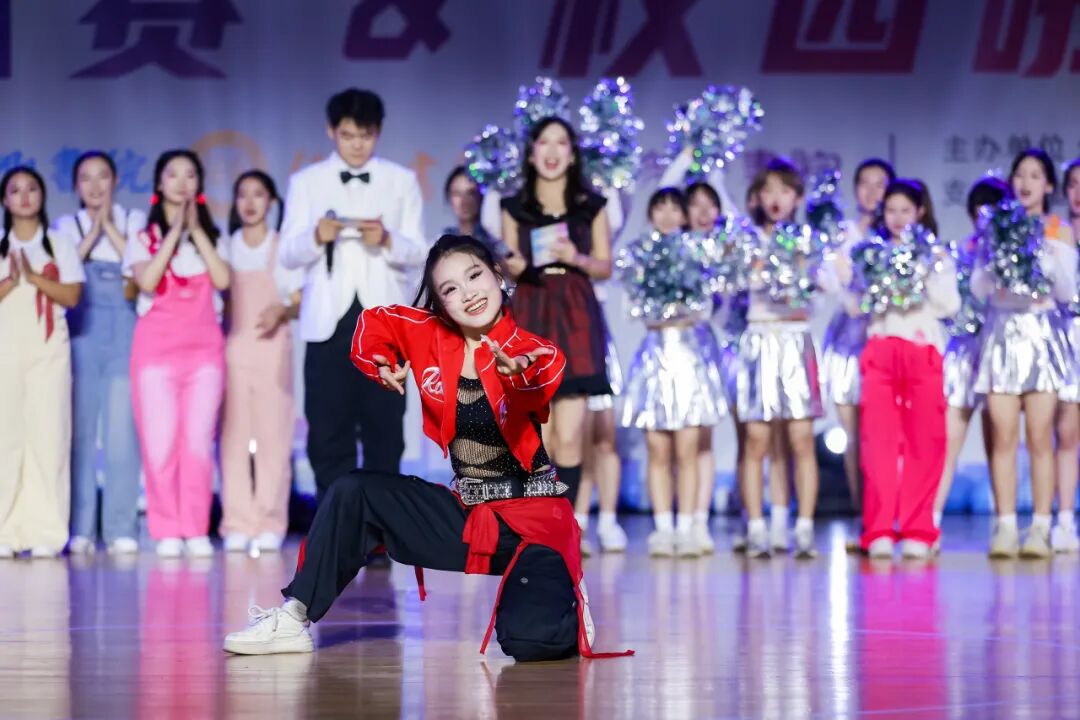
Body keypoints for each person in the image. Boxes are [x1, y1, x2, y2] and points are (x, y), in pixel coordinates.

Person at [223, 235, 632, 662]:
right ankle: (294, 616)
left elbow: (543, 373)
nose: (468, 293)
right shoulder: (429, 334)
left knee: (531, 641)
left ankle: (566, 598)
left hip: (533, 525)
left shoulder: (530, 349)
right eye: (451, 289)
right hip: (468, 515)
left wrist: (515, 373)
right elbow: (374, 323)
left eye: (474, 276)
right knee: (355, 491)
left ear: (497, 275)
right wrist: (380, 362)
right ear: (440, 303)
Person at [279, 87, 427, 500]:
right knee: (328, 431)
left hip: (384, 326)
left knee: (385, 430)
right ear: (331, 131)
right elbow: (287, 253)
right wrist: (315, 236)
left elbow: (420, 251)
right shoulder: (306, 183)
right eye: (348, 135)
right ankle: (336, 524)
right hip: (328, 323)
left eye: (365, 135)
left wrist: (388, 239)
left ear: (378, 133)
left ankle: (382, 525)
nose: (357, 144)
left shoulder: (401, 181)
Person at [124, 150, 230, 558]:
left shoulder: (212, 238)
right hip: (155, 356)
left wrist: (195, 231)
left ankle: (195, 527)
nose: (182, 182)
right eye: (173, 175)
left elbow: (223, 279)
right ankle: (166, 527)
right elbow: (148, 280)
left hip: (204, 356)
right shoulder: (142, 237)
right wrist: (173, 234)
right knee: (160, 443)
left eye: (190, 175)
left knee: (198, 443)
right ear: (158, 184)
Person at [972, 149, 1077, 559]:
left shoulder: (1057, 230)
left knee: (1039, 436)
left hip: (1040, 333)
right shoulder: (995, 226)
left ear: (1048, 185)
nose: (1026, 182)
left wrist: (1044, 255)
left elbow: (1066, 292)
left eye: (1035, 175)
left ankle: (1041, 528)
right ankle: (1004, 526)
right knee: (1002, 435)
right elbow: (978, 288)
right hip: (1002, 332)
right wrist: (996, 261)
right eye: (1020, 174)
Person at [855, 179, 960, 559]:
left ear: (920, 212)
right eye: (891, 210)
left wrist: (921, 271)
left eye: (905, 210)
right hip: (882, 349)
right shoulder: (873, 253)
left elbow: (949, 305)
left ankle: (918, 529)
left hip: (921, 349)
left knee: (925, 442)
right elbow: (856, 303)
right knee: (878, 444)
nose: (898, 218)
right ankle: (879, 528)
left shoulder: (935, 255)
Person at [55, 151, 143, 555]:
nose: (94, 186)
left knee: (122, 434)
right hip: (82, 335)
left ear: (115, 181)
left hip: (125, 333)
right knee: (81, 433)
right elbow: (67, 268)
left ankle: (121, 526)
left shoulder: (133, 220)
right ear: (76, 185)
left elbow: (139, 266)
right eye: (86, 178)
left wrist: (109, 225)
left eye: (102, 177)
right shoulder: (65, 226)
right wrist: (93, 231)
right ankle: (81, 527)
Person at [0, 166, 84, 558]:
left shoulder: (59, 243)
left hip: (49, 352)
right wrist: (11, 281)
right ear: (5, 200)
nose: (24, 196)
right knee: (6, 439)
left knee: (49, 438)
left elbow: (71, 296)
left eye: (31, 188)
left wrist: (33, 277)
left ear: (42, 196)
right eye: (15, 190)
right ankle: (6, 530)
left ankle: (46, 533)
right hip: (6, 351)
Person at [219, 170, 303, 554]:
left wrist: (281, 311)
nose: (250, 202)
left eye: (258, 194)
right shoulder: (226, 247)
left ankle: (270, 521)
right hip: (232, 350)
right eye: (243, 194)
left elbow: (299, 300)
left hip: (272, 349)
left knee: (274, 436)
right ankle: (237, 522)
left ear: (271, 202)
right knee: (233, 437)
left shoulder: (282, 247)